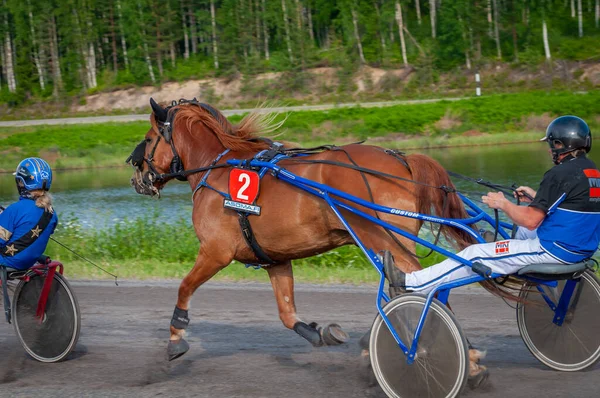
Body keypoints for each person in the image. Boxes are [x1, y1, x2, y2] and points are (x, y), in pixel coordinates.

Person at [385, 115, 600, 295]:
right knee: (519, 231)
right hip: (581, 249)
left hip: (553, 251)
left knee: (473, 254)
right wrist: (536, 199)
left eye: (551, 144)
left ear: (560, 145)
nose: (549, 149)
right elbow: (575, 206)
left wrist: (502, 204)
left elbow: (531, 220)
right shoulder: (591, 172)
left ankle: (412, 283)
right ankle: (499, 251)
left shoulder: (558, 174)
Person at [0, 157, 58, 271]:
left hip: (8, 261)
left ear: (21, 183)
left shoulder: (14, 210)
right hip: (29, 261)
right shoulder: (52, 213)